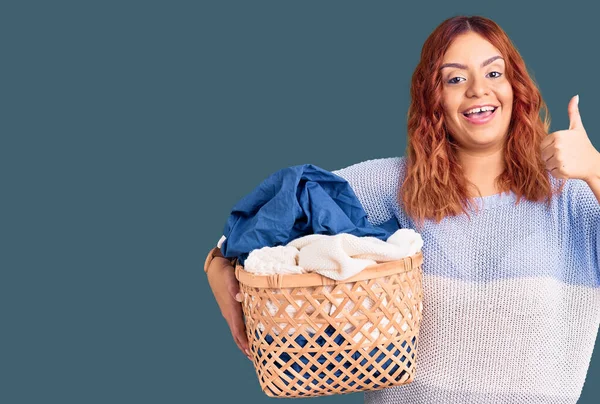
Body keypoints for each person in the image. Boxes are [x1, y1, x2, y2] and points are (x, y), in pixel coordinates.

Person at [204, 15, 600, 404]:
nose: (479, 90)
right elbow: (280, 208)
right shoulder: (393, 185)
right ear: (435, 100)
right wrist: (217, 264)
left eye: (494, 74)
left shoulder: (572, 198)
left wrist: (596, 170)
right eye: (456, 79)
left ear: (516, 87)